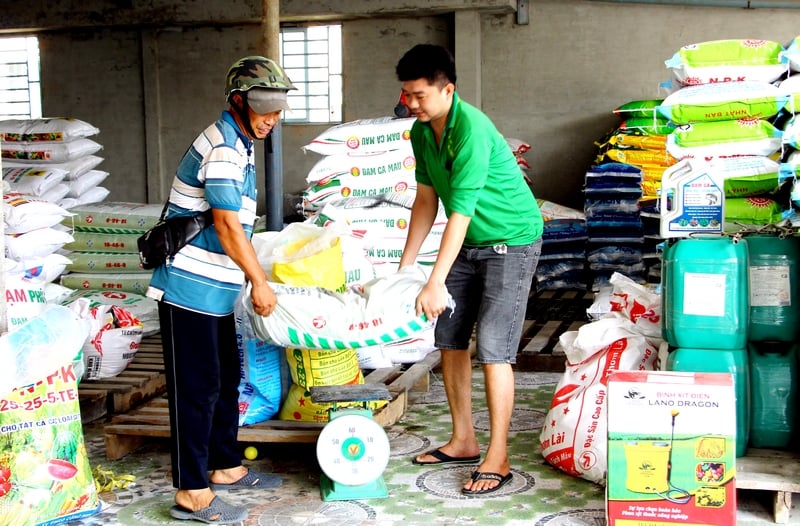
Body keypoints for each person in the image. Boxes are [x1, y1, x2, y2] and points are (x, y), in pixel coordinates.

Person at [146, 56, 295, 524]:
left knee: (224, 380)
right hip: (188, 289)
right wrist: (259, 281)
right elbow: (230, 228)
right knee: (196, 390)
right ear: (238, 101)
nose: (273, 118)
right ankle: (192, 491)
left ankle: (226, 466)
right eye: (265, 108)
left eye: (278, 109)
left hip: (214, 290)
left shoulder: (240, 142)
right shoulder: (225, 148)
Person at [396, 44, 543, 496]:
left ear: (448, 89)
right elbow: (426, 200)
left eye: (420, 95)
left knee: (495, 350)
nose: (411, 103)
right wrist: (405, 270)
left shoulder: (472, 130)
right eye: (406, 94)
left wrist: (435, 279)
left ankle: (497, 454)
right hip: (468, 242)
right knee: (450, 340)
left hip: (510, 242)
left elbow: (459, 212)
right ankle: (463, 440)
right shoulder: (422, 133)